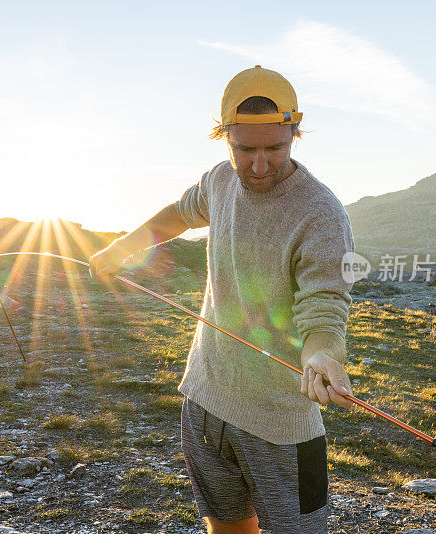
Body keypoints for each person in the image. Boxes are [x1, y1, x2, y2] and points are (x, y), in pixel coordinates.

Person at [89, 65, 355, 534]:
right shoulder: (218, 180)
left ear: (296, 133)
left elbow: (325, 306)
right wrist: (124, 247)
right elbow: (181, 212)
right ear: (223, 137)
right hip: (205, 399)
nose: (258, 164)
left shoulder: (321, 215)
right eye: (244, 149)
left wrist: (322, 357)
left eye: (275, 148)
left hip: (281, 426)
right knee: (227, 529)